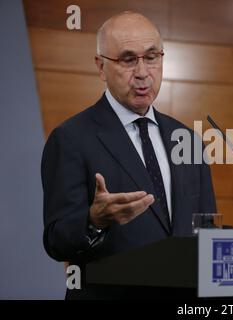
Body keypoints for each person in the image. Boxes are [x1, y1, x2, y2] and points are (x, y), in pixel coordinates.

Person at [41, 11, 216, 299]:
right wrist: (94, 221)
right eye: (128, 59)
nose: (143, 72)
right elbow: (56, 241)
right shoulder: (70, 138)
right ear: (101, 67)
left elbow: (207, 229)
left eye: (151, 57)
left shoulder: (187, 139)